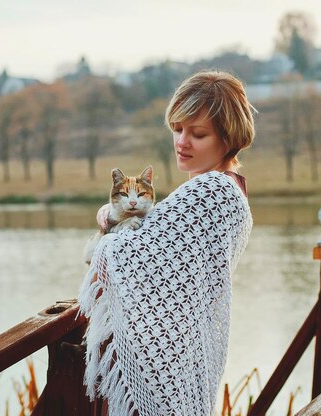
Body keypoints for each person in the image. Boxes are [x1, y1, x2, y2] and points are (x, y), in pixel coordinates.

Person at [79, 70, 255, 416]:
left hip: (166, 359)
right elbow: (158, 247)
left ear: (228, 137)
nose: (182, 142)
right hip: (183, 352)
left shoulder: (206, 191)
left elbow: (117, 258)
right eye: (177, 129)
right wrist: (118, 216)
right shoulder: (232, 189)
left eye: (198, 134)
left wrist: (111, 223)